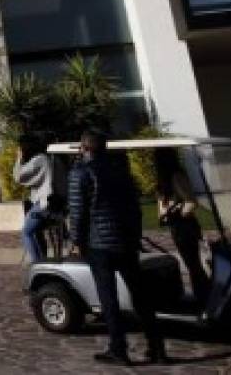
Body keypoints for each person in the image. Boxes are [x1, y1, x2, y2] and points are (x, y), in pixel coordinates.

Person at [69, 130, 166, 366]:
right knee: (140, 294)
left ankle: (118, 349)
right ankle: (157, 347)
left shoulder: (81, 173)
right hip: (125, 241)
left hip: (99, 243)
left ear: (85, 148)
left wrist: (76, 241)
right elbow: (135, 208)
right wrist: (134, 235)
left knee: (108, 298)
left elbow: (78, 212)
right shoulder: (121, 171)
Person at [154, 147, 211, 303]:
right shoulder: (164, 180)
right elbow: (162, 206)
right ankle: (203, 295)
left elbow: (191, 202)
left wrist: (177, 212)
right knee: (191, 263)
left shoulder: (176, 176)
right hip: (177, 226)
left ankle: (205, 296)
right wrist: (165, 214)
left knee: (193, 264)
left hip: (185, 226)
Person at [14, 138, 54, 262]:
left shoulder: (39, 160)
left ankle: (37, 262)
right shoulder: (46, 158)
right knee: (36, 232)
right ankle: (42, 259)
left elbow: (18, 176)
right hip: (47, 202)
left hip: (44, 202)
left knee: (26, 232)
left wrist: (19, 158)